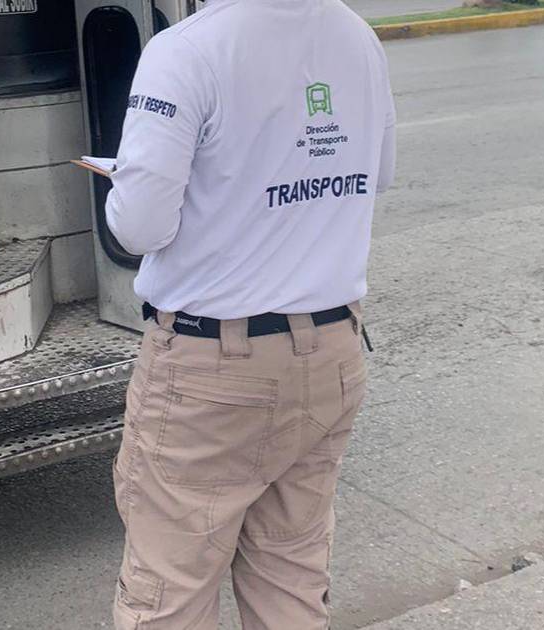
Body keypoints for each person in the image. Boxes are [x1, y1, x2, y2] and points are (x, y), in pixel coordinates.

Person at [104, 0, 396, 627]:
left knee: (168, 593)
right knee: (291, 578)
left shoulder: (185, 51)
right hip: (333, 352)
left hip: (212, 372)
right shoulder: (357, 37)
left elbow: (139, 227)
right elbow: (377, 174)